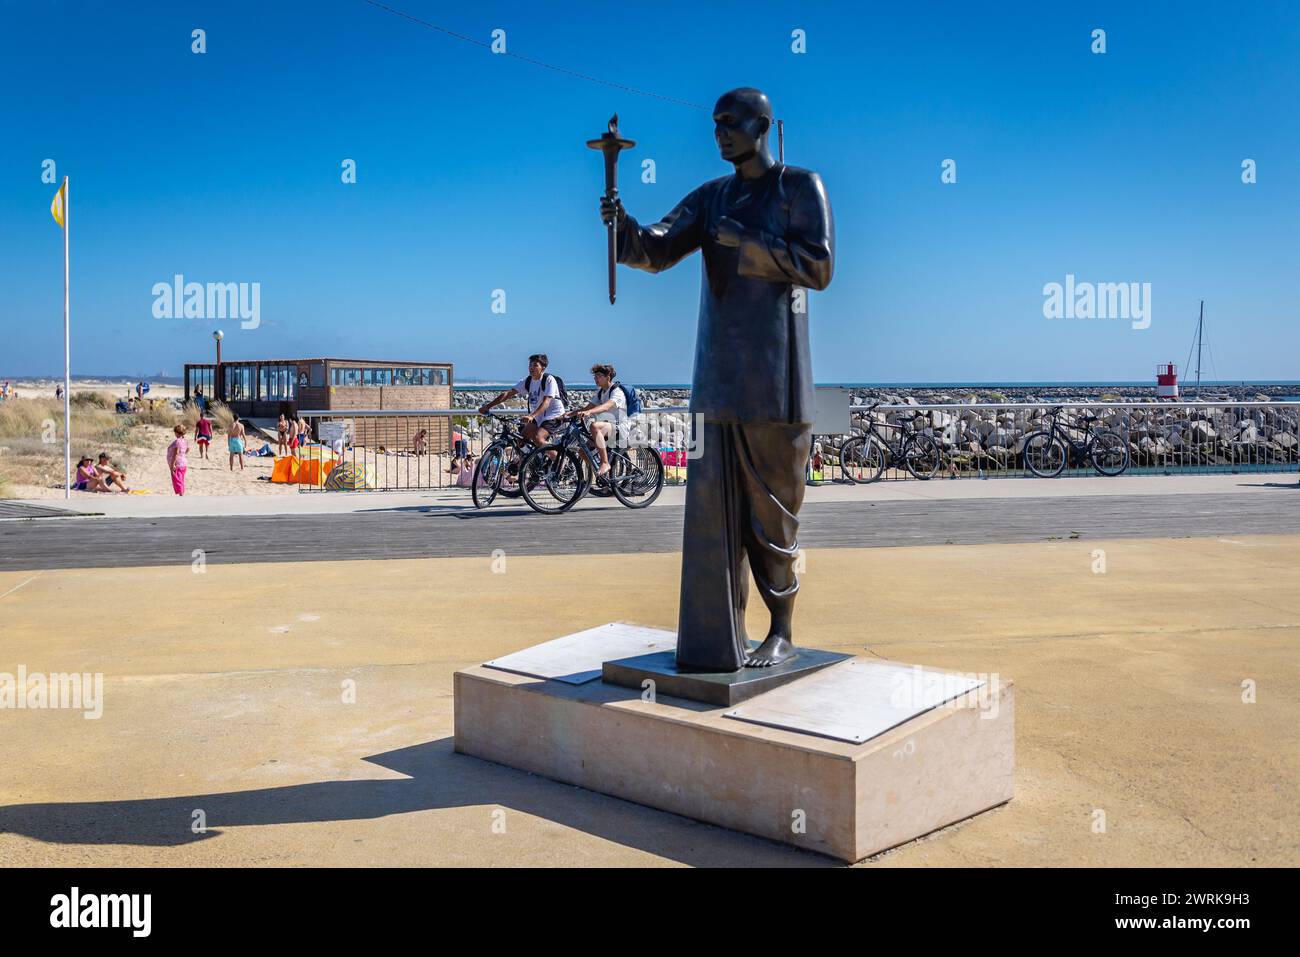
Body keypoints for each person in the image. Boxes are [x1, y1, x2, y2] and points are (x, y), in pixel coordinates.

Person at [602, 87, 834, 670]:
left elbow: (820, 265)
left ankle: (781, 629)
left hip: (776, 385)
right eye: (715, 124)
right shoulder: (712, 198)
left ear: (762, 125)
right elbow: (657, 247)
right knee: (714, 518)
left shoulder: (800, 188)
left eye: (731, 122)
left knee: (773, 517)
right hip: (717, 382)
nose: (720, 132)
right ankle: (717, 638)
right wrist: (622, 224)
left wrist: (749, 243)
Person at [477, 354, 566, 446]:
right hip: (538, 416)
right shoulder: (527, 381)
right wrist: (487, 407)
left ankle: (559, 460)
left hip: (553, 415)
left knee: (538, 438)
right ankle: (526, 460)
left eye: (535, 365)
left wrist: (531, 416)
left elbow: (546, 402)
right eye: (530, 365)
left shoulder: (549, 380)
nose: (531, 368)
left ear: (543, 368)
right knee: (521, 440)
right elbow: (507, 394)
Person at [570, 364, 626, 478]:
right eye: (595, 377)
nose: (596, 379)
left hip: (621, 427)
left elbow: (606, 406)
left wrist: (590, 412)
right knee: (582, 451)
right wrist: (570, 414)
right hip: (607, 428)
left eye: (599, 376)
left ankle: (605, 463)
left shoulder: (617, 391)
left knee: (594, 426)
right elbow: (587, 407)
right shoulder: (601, 392)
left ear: (608, 377)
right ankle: (602, 475)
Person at [167, 424, 189, 496]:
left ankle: (181, 495)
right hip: (184, 463)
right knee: (181, 479)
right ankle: (181, 494)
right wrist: (182, 454)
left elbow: (175, 453)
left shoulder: (177, 441)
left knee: (177, 480)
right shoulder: (185, 440)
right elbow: (188, 449)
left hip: (178, 464)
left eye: (175, 432)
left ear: (177, 433)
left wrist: (172, 464)